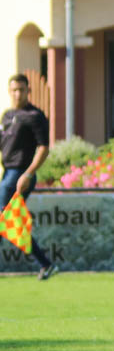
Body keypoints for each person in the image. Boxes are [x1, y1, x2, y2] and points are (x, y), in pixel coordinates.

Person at [0, 74, 56, 280]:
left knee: (3, 217)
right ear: (9, 91)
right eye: (14, 90)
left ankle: (45, 264)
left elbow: (44, 148)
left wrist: (28, 173)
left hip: (21, 173)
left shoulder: (35, 116)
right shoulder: (7, 115)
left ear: (28, 91)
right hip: (7, 172)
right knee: (8, 220)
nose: (18, 94)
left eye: (21, 90)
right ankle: (45, 264)